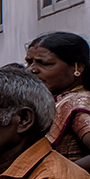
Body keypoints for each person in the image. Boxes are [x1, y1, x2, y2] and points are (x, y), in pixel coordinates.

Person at [24, 31, 90, 170]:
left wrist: (60, 174)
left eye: (44, 63)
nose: (32, 70)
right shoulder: (56, 99)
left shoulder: (77, 103)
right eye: (29, 62)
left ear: (78, 67)